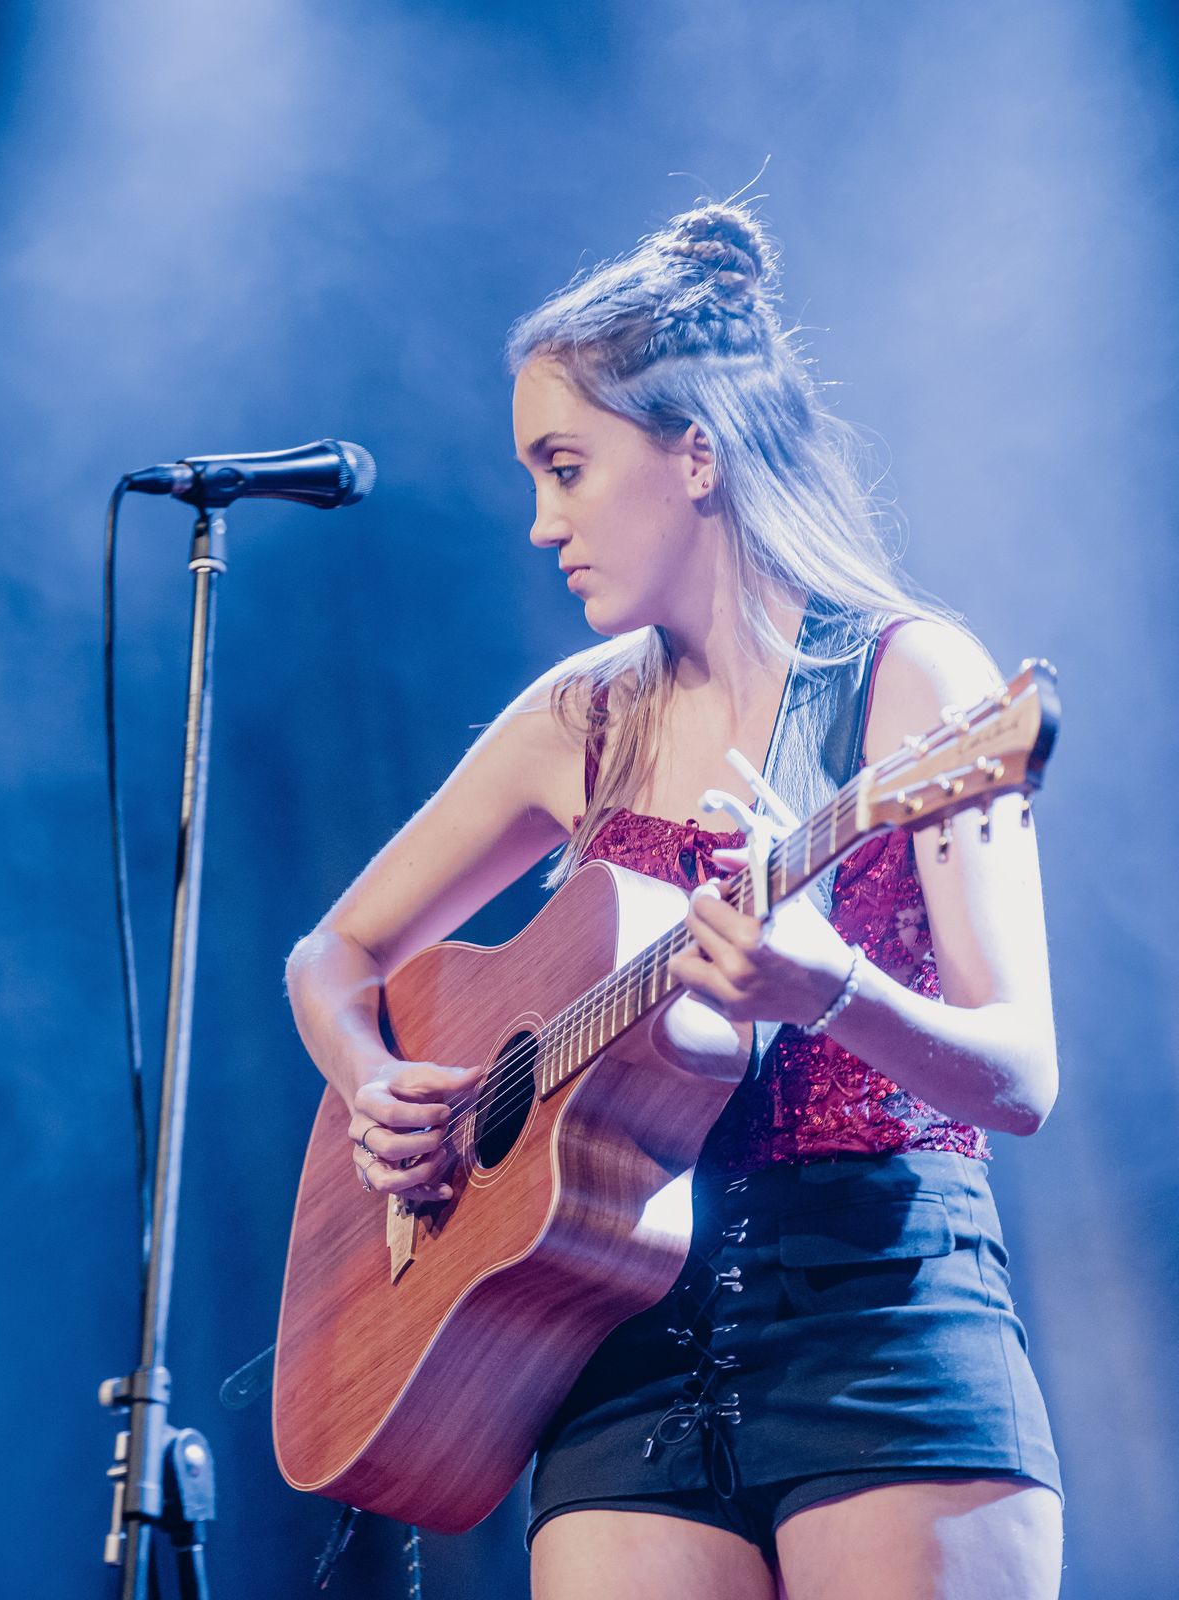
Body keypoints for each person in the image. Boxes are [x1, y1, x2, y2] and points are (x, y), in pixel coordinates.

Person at [284, 203, 1063, 1600]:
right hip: (611, 1347)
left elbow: (1022, 1076)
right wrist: (372, 1080)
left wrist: (829, 990)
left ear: (694, 454)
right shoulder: (577, 720)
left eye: (566, 468)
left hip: (881, 1318)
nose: (542, 523)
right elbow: (331, 954)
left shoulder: (914, 681)